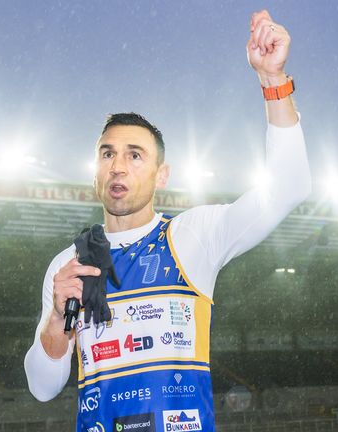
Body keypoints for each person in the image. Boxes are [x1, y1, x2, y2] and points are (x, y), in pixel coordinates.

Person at [24, 9, 311, 432]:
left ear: (162, 176)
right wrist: (56, 321)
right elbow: (42, 388)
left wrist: (273, 81)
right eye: (108, 154)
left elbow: (289, 186)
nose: (118, 166)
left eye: (134, 155)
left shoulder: (193, 237)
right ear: (96, 173)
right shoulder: (70, 263)